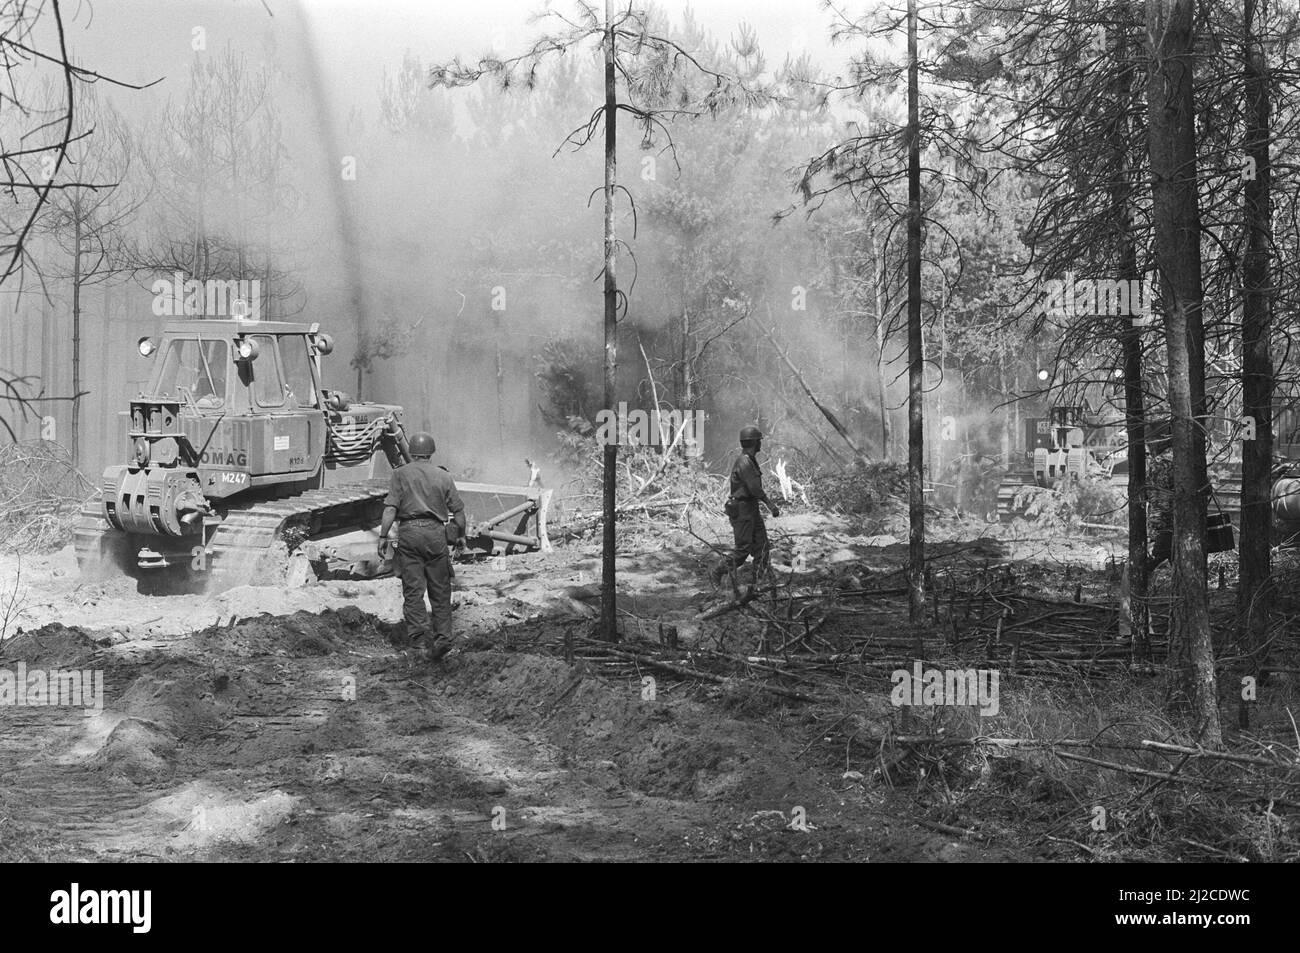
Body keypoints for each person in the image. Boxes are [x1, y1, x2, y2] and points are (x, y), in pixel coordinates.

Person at [378, 431, 467, 662]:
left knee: (413, 591)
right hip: (435, 535)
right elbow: (458, 512)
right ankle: (443, 639)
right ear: (431, 452)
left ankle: (417, 642)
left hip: (409, 534)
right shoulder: (443, 476)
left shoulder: (399, 474)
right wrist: (461, 536)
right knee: (440, 590)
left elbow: (390, 509)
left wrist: (383, 536)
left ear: (412, 452)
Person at [711, 424, 781, 584]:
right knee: (743, 550)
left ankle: (759, 579)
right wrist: (771, 505)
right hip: (742, 510)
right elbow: (754, 488)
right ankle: (717, 571)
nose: (760, 444)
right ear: (754, 442)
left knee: (762, 546)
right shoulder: (744, 462)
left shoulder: (749, 460)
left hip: (751, 509)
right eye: (759, 441)